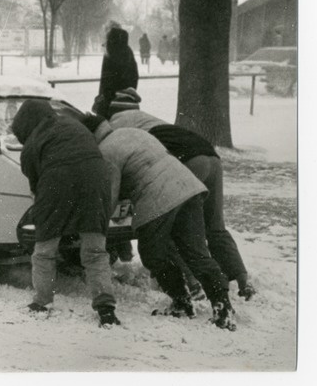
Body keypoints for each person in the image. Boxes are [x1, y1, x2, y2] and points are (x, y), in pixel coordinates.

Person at [82, 114, 237, 330]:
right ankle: (223, 306)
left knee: (153, 254)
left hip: (159, 199)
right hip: (189, 187)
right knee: (196, 252)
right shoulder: (132, 133)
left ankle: (181, 301)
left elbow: (111, 196)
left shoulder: (107, 152)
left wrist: (96, 224)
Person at [107, 97, 255, 301]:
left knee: (173, 223)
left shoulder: (116, 127)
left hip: (188, 161)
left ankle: (191, 282)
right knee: (215, 226)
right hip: (211, 157)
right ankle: (242, 279)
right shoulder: (147, 118)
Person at [11, 99, 121, 328]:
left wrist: (47, 215)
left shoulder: (33, 143)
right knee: (94, 251)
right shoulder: (73, 124)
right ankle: (106, 309)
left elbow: (35, 184)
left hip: (56, 183)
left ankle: (42, 302)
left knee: (44, 250)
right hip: (96, 180)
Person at [92, 25, 139, 118]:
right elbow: (134, 76)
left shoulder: (110, 53)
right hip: (128, 99)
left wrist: (104, 96)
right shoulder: (127, 51)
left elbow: (106, 80)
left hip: (111, 101)